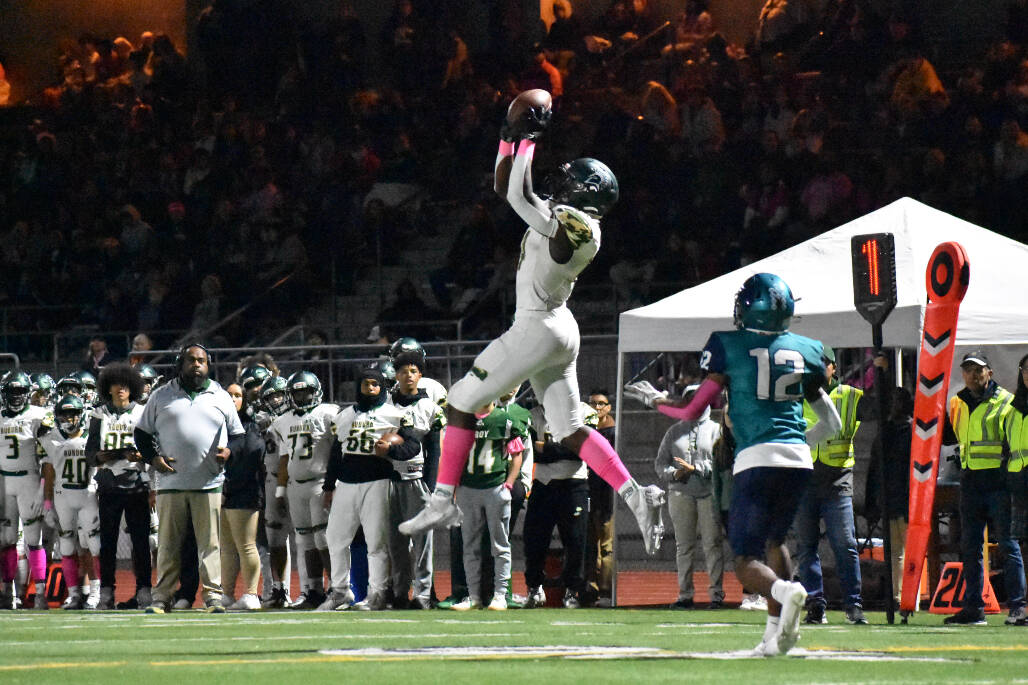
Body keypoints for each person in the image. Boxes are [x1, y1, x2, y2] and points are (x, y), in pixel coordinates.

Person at [399, 96, 665, 557]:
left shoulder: (579, 227)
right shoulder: (572, 218)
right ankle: (634, 494)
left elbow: (518, 195)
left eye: (570, 181)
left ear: (585, 193)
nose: (561, 183)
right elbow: (506, 187)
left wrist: (530, 141)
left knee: (460, 402)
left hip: (539, 326)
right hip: (558, 328)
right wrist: (511, 135)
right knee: (567, 428)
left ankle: (443, 500)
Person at [625, 273, 840, 656]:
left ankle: (783, 590)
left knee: (744, 560)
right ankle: (774, 638)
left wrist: (655, 400)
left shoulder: (729, 344)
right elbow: (832, 424)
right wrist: (793, 444)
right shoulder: (808, 349)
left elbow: (693, 408)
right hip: (798, 461)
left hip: (757, 458)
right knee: (777, 542)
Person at [135, 343, 245, 614]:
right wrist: (153, 458)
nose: (197, 365)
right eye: (191, 360)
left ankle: (213, 598)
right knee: (168, 545)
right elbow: (142, 433)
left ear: (208, 365)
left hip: (209, 483)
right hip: (171, 484)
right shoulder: (161, 396)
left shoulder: (220, 395)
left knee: (210, 545)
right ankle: (162, 598)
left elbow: (239, 435)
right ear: (180, 364)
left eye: (202, 361)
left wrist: (230, 451)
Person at [320, 365, 420, 611]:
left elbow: (414, 446)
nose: (371, 388)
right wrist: (329, 485)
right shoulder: (344, 416)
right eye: (366, 384)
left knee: (376, 542)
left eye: (375, 384)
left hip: (378, 480)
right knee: (335, 538)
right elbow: (336, 453)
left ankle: (377, 593)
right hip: (347, 482)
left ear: (382, 387)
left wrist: (392, 450)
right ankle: (340, 591)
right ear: (358, 386)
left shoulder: (394, 414)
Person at [941, 350, 1025, 626]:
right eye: (968, 370)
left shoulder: (1006, 402)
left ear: (990, 372)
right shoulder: (956, 403)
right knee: (970, 547)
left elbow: (1014, 445)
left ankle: (1018, 607)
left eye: (978, 370)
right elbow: (945, 438)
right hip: (970, 483)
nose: (973, 375)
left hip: (999, 483)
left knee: (1008, 546)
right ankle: (973, 608)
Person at [794, 346, 867, 625]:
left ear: (833, 367)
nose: (816, 369)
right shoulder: (795, 396)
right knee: (806, 547)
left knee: (845, 544)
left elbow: (881, 406)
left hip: (837, 481)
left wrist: (883, 371)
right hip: (803, 480)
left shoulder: (849, 395)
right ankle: (815, 604)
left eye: (821, 364)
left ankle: (853, 605)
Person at [269, 371, 339, 610]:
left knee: (323, 538)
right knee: (305, 540)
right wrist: (280, 492)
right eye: (297, 392)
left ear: (316, 391)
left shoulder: (329, 414)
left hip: (321, 483)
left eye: (306, 391)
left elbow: (338, 451)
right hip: (296, 487)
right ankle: (314, 590)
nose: (301, 396)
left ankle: (337, 589)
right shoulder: (282, 421)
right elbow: (284, 458)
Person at [450, 398, 525, 611]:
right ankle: (473, 595)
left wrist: (509, 484)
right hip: (468, 488)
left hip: (494, 486)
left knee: (499, 544)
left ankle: (500, 595)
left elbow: (517, 454)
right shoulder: (462, 420)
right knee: (469, 545)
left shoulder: (505, 419)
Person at [86, 362, 151, 610]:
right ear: (108, 388)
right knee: (108, 542)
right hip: (109, 484)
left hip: (136, 484)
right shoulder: (99, 414)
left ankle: (144, 589)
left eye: (126, 384)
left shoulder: (142, 412)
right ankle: (106, 592)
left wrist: (140, 456)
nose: (121, 388)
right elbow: (91, 454)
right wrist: (116, 454)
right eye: (116, 384)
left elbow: (151, 451)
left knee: (141, 541)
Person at [655, 383, 726, 610]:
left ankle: (716, 594)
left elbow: (723, 461)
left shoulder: (717, 429)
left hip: (709, 493)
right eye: (689, 400)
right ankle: (685, 594)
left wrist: (697, 468)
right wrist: (675, 473)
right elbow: (660, 464)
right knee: (683, 546)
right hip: (680, 493)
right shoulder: (674, 431)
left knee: (712, 544)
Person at [523, 401, 598, 608]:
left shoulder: (584, 412)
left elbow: (582, 452)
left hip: (574, 485)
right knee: (534, 540)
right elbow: (529, 452)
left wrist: (546, 449)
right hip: (543, 484)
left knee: (575, 541)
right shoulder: (533, 415)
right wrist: (562, 448)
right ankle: (534, 587)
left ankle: (573, 589)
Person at [387, 352, 445, 609]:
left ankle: (422, 594)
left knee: (422, 541)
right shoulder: (386, 405)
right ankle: (399, 592)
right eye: (403, 371)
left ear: (420, 374)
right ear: (396, 375)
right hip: (389, 479)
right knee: (394, 541)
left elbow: (435, 450)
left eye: (413, 371)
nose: (408, 375)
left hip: (417, 479)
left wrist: (431, 487)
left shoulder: (430, 407)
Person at [0, 371, 56, 609]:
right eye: (11, 391)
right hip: (4, 482)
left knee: (34, 539)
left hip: (29, 480)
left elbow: (49, 457)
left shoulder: (39, 416)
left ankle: (41, 593)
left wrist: (42, 491)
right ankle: (9, 592)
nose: (15, 396)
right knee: (7, 540)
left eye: (20, 391)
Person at [40, 394, 99, 610]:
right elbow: (48, 472)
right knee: (66, 546)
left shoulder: (92, 437)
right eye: (64, 414)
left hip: (87, 494)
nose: (69, 418)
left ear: (81, 415)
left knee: (93, 545)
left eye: (73, 414)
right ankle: (74, 594)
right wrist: (47, 503)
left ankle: (95, 592)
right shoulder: (51, 439)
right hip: (63, 496)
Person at [865, 385, 914, 613]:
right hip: (891, 498)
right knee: (896, 550)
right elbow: (874, 468)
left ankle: (904, 596)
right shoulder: (889, 432)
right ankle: (899, 595)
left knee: (902, 550)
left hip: (903, 498)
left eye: (898, 401)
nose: (895, 406)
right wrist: (871, 502)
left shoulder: (907, 432)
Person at [220, 383, 265, 611]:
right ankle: (226, 593)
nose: (233, 399)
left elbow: (251, 461)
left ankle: (251, 594)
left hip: (244, 492)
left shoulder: (250, 427)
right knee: (226, 547)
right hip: (222, 493)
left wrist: (228, 486)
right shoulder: (219, 426)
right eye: (229, 395)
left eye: (238, 395)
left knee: (246, 545)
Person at [257, 375, 296, 608]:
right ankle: (279, 589)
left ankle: (321, 588)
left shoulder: (300, 418)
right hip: (272, 480)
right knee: (275, 540)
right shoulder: (261, 421)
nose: (276, 400)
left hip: (300, 480)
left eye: (279, 395)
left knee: (314, 538)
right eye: (271, 396)